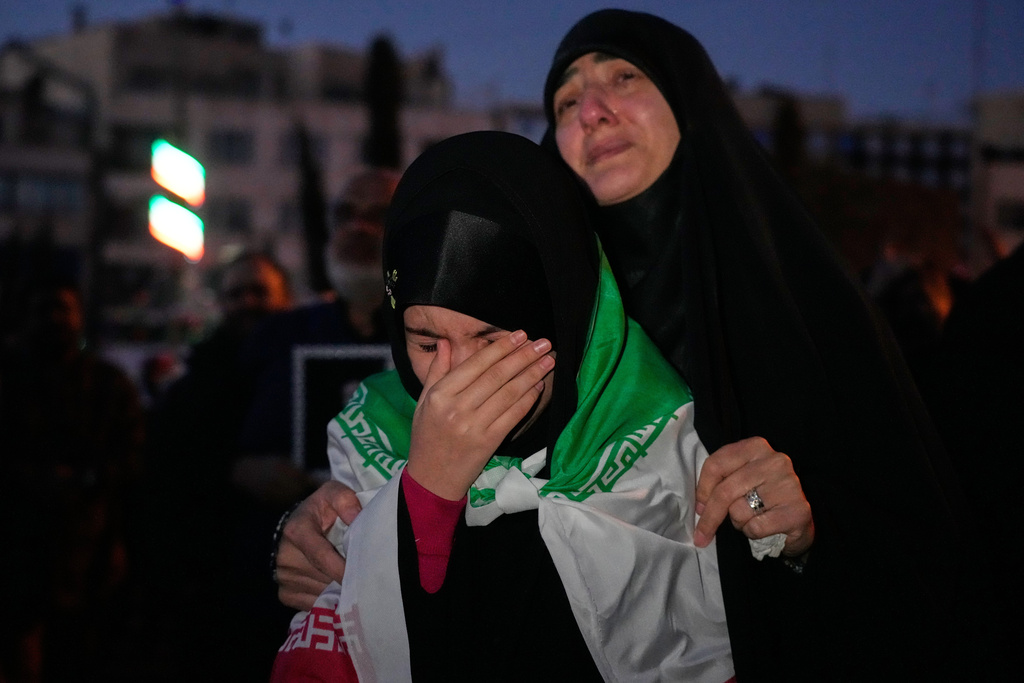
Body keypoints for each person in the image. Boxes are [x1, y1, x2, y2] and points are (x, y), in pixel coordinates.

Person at [276, 10, 972, 679]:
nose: (592, 110)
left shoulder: (806, 306)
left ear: (691, 99)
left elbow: (919, 548)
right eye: (566, 99)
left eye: (624, 78)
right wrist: (340, 530)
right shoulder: (512, 295)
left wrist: (805, 528)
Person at [272, 130, 769, 681]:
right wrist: (424, 497)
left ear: (567, 319)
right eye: (426, 343)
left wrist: (789, 541)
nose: (452, 380)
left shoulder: (669, 433)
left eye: (490, 341)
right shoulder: (373, 432)